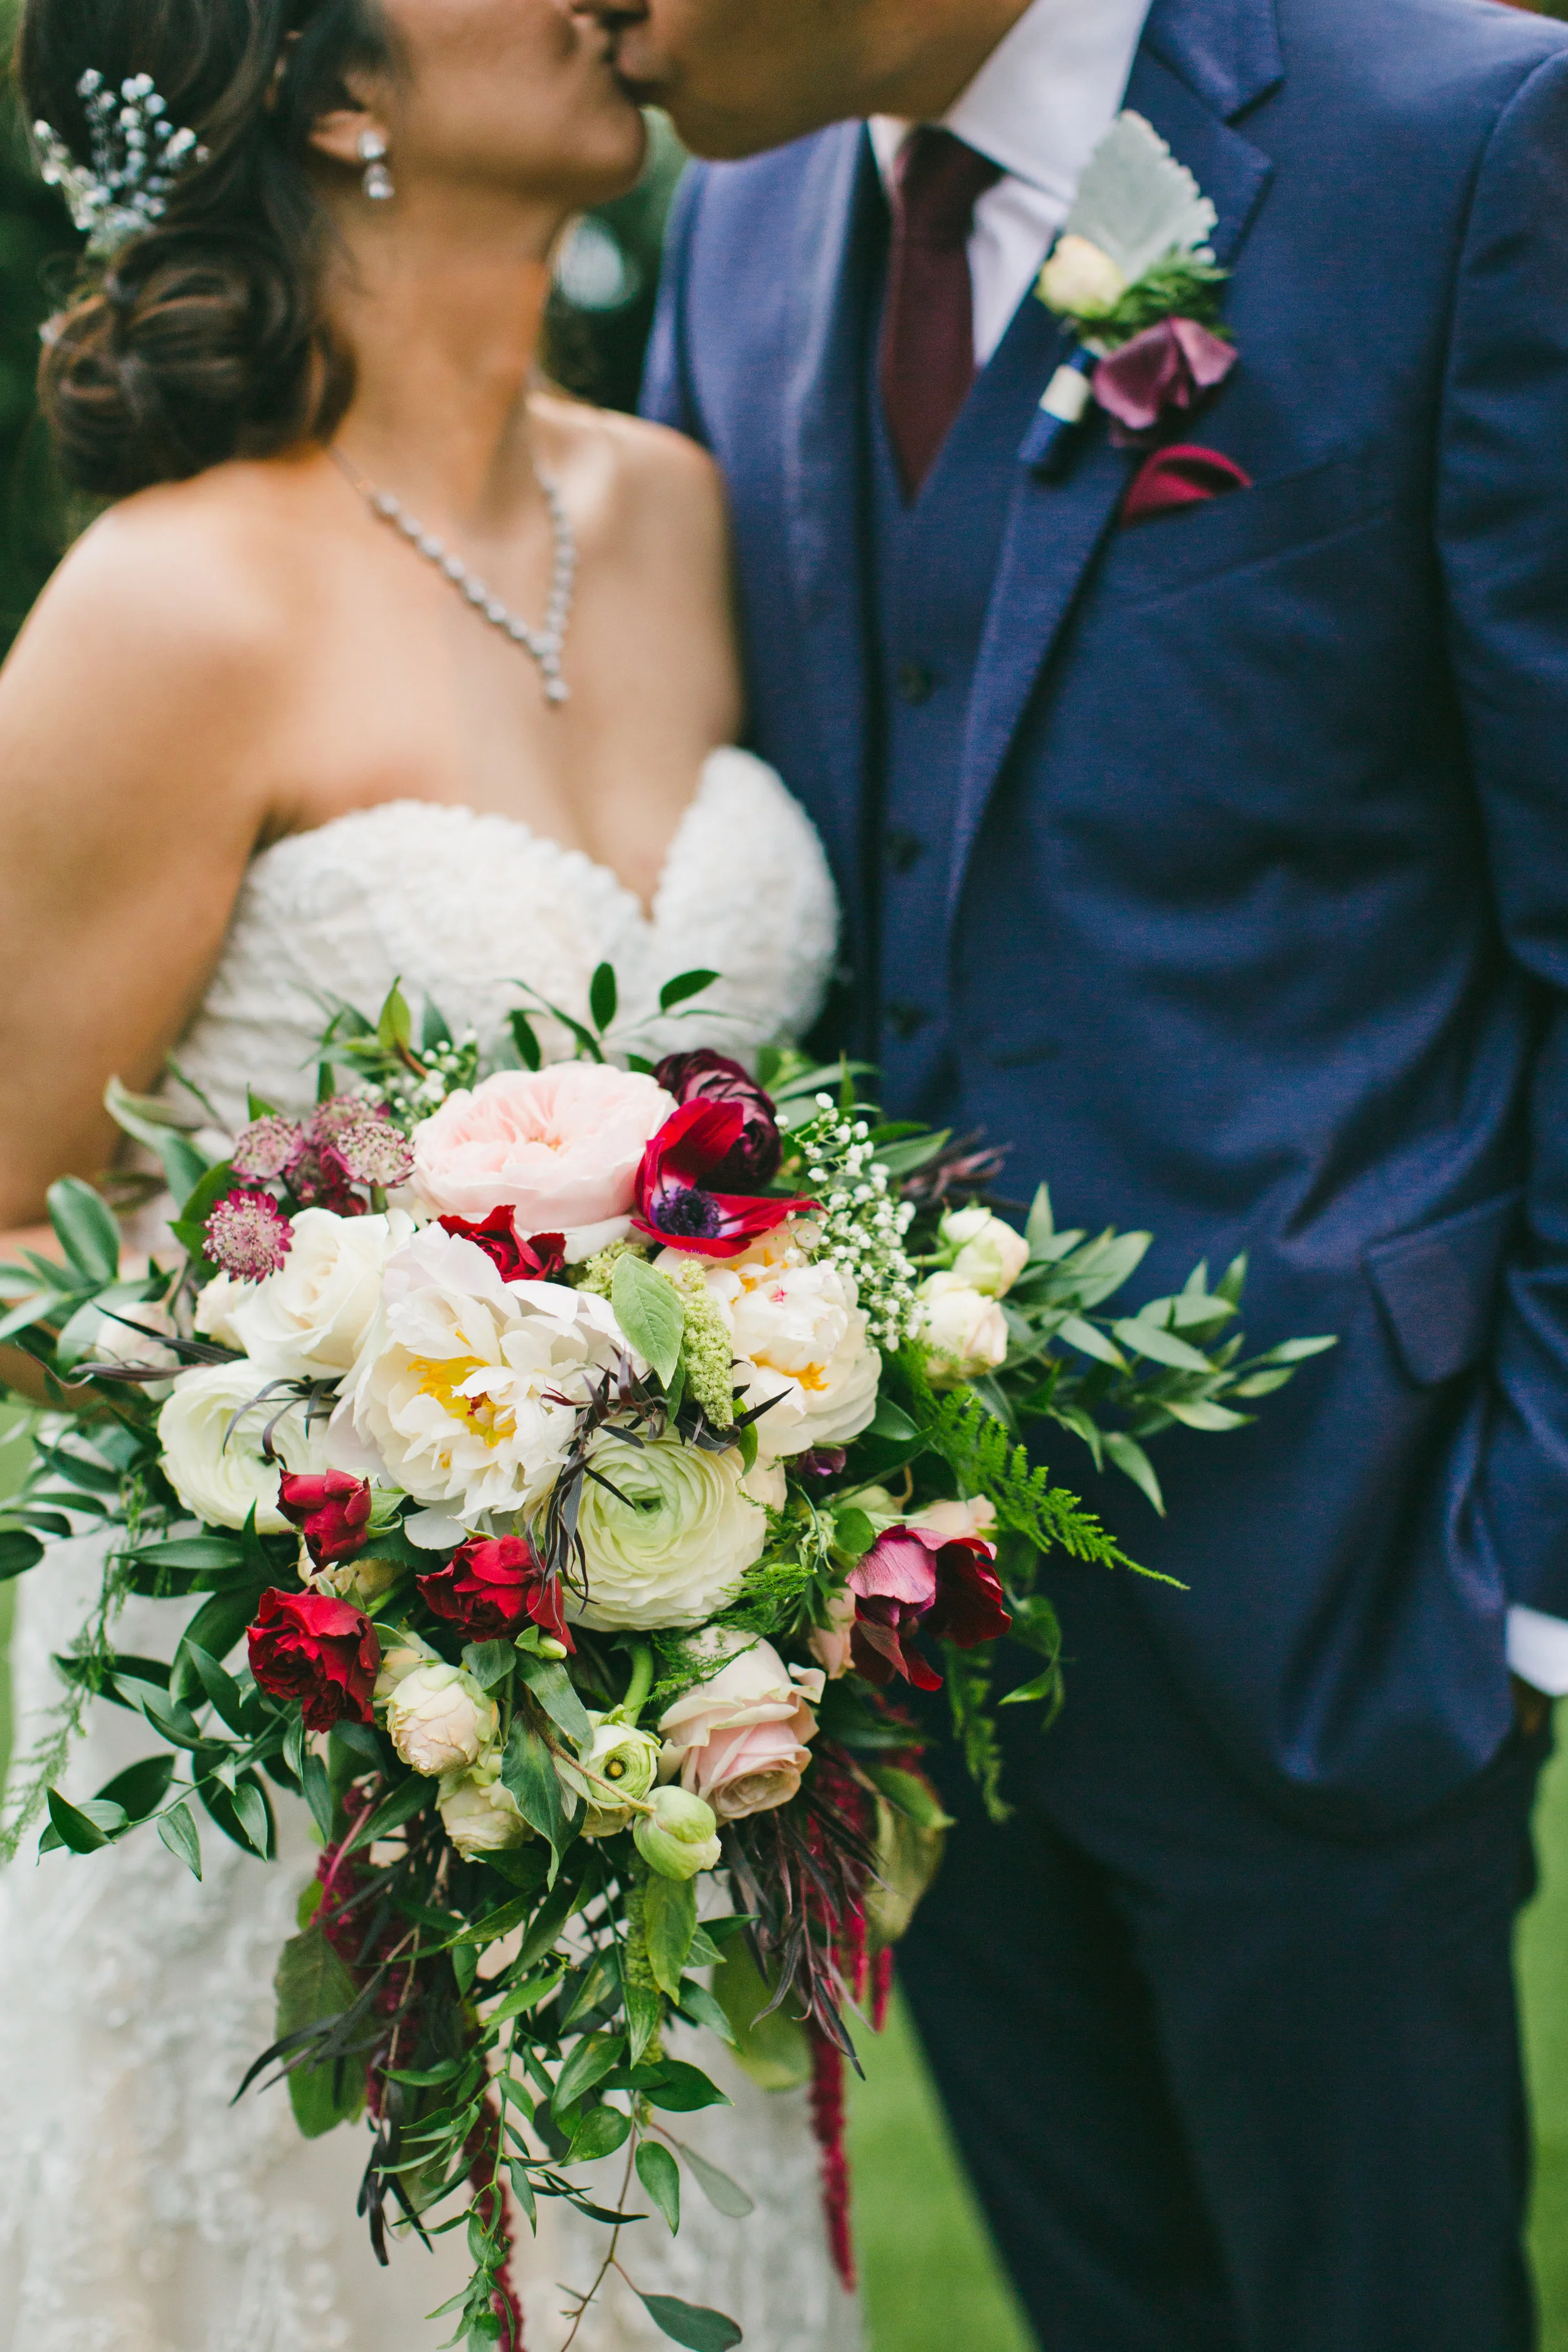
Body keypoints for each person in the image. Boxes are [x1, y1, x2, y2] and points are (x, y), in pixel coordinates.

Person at [601, 0, 1568, 2342]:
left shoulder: (1461, 140)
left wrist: (1523, 1577)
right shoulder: (736, 212)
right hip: (889, 1641)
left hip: (1343, 1583)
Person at [0, 1, 849, 2346]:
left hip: (667, 1771)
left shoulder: (684, 505)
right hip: (286, 1769)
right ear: (339, 89)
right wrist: (371, 1509)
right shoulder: (173, 610)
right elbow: (5, 1234)